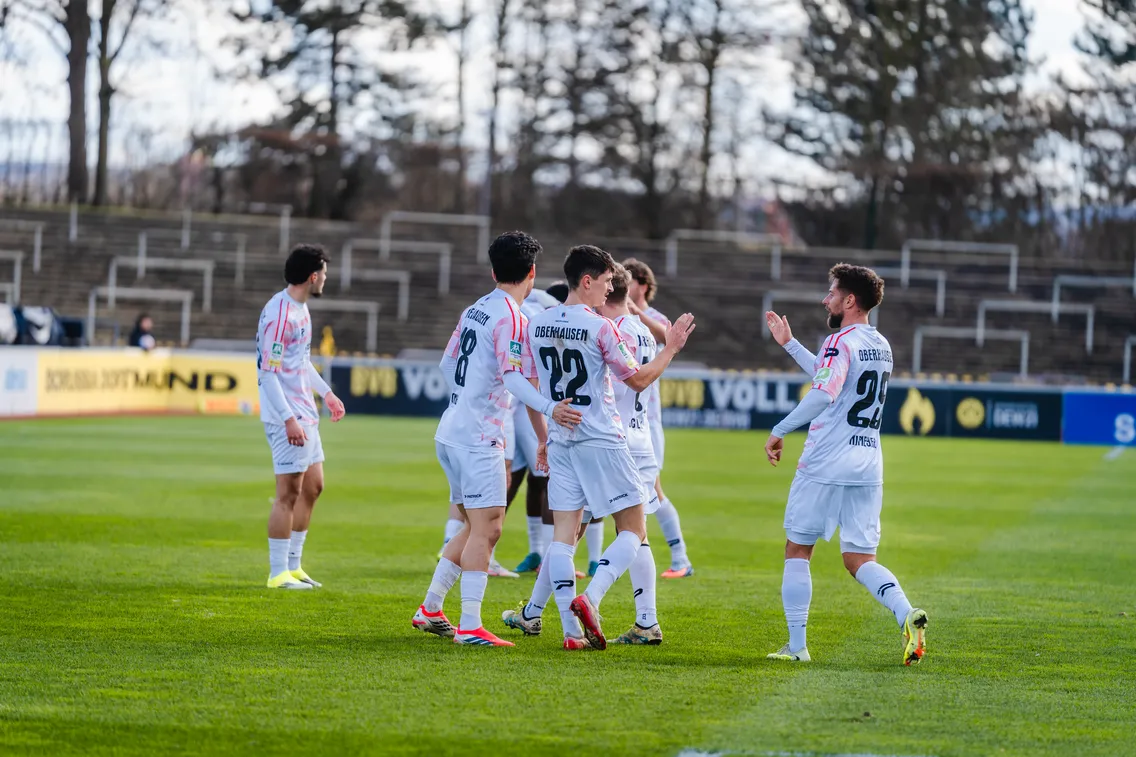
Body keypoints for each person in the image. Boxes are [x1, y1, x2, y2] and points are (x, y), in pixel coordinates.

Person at [507, 245, 695, 651]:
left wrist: (545, 430)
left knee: (563, 537)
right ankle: (590, 598)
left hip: (562, 439)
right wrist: (671, 347)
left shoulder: (537, 324)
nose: (611, 288)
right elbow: (638, 380)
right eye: (607, 281)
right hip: (603, 438)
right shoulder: (602, 327)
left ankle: (570, 633)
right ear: (587, 281)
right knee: (634, 530)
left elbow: (524, 383)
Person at [412, 231, 582, 647]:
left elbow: (447, 363)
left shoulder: (476, 309)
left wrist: (469, 397)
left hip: (451, 431)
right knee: (488, 528)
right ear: (532, 272)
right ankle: (470, 625)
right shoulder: (512, 317)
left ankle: (431, 608)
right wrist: (549, 408)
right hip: (479, 438)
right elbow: (513, 377)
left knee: (473, 525)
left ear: (493, 271)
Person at [763, 263, 927, 665]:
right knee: (859, 559)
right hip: (867, 463)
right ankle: (907, 614)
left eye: (832, 293)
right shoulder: (881, 344)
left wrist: (780, 429)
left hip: (826, 459)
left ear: (850, 300)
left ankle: (797, 648)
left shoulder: (839, 340)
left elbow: (824, 393)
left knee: (797, 549)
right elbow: (832, 377)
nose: (826, 300)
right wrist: (790, 344)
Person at [256, 244, 347, 590]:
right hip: (288, 416)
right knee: (288, 493)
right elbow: (268, 373)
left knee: (313, 486)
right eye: (323, 273)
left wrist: (327, 393)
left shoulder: (300, 309)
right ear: (312, 276)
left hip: (305, 411)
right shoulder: (281, 315)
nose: (325, 278)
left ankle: (294, 566)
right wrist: (288, 418)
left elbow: (300, 361)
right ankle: (278, 572)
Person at [622, 258, 694, 578]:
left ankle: (680, 558)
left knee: (651, 490)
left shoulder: (653, 316)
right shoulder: (614, 315)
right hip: (623, 418)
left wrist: (637, 313)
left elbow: (669, 337)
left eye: (629, 279)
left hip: (646, 418)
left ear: (643, 285)